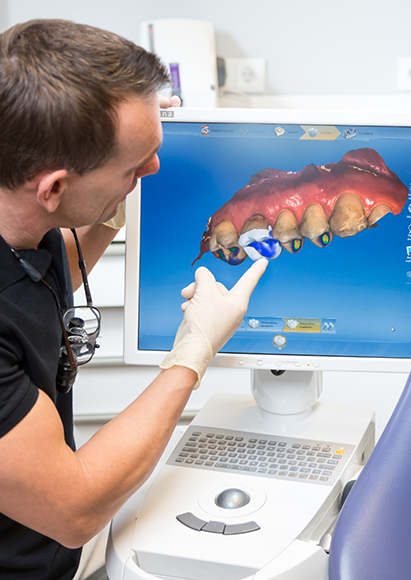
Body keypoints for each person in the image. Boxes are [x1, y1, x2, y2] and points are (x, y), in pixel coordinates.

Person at [0, 19, 267, 579]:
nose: (154, 169)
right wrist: (191, 354)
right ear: (52, 188)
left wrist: (120, 175)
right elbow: (72, 509)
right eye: (135, 166)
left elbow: (30, 281)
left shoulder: (18, 214)